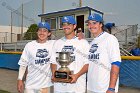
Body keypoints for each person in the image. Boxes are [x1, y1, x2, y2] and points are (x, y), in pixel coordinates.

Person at [50, 16, 89, 93]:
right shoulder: (57, 43)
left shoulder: (83, 43)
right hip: (59, 87)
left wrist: (76, 75)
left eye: (69, 24)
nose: (66, 27)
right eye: (64, 24)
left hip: (77, 87)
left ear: (74, 26)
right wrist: (54, 74)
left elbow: (88, 64)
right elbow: (53, 62)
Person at [86, 13, 121, 93]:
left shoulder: (110, 39)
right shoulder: (92, 43)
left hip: (104, 88)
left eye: (94, 23)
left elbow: (116, 63)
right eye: (89, 23)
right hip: (91, 87)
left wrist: (111, 88)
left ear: (101, 24)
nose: (91, 26)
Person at [17, 22, 54, 93]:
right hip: (30, 85)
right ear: (37, 32)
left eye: (45, 31)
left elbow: (67, 41)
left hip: (46, 85)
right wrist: (19, 79)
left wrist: (79, 37)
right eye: (40, 30)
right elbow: (23, 64)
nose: (42, 33)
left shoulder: (53, 44)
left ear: (49, 33)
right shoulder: (29, 45)